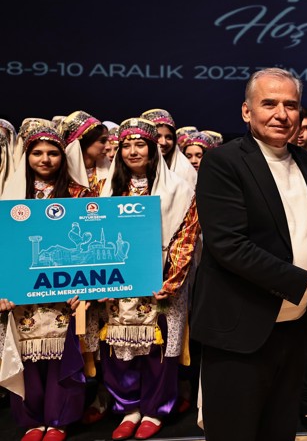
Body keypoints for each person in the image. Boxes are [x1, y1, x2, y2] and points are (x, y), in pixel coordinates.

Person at [190, 68, 307, 441]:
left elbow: (297, 224)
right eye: (269, 104)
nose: (282, 114)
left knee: (279, 431)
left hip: (294, 327)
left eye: (291, 105)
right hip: (240, 329)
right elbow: (229, 246)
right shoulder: (223, 162)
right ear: (247, 111)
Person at [95, 117, 200, 441]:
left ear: (153, 149)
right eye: (126, 145)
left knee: (158, 352)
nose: (132, 151)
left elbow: (186, 237)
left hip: (162, 283)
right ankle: (128, 409)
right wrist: (98, 281)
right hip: (118, 283)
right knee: (119, 350)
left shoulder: (179, 189)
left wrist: (170, 280)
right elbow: (93, 237)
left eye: (140, 144)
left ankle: (155, 410)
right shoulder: (106, 190)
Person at [0, 123, 87, 441]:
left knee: (62, 355)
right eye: (37, 153)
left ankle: (59, 419)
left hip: (65, 293)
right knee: (26, 356)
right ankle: (33, 420)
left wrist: (86, 289)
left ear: (63, 157)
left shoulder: (79, 194)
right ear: (26, 156)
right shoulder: (9, 194)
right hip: (20, 295)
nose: (45, 159)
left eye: (53, 153)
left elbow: (88, 245)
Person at [57, 110, 110, 197]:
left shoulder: (112, 173)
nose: (108, 146)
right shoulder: (61, 176)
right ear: (85, 142)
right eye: (102, 141)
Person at [140, 109, 197, 188]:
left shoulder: (184, 170)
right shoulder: (134, 164)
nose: (163, 142)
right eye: (157, 136)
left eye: (169, 137)